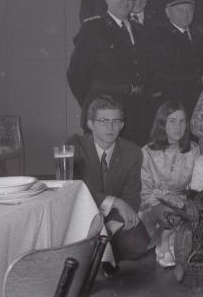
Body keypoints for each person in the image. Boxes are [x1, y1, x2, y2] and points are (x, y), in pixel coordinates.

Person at [67, 0, 154, 145]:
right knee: (103, 168)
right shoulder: (93, 29)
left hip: (137, 117)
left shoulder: (140, 30)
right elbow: (76, 75)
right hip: (104, 117)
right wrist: (95, 104)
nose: (126, 1)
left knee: (134, 167)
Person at [70, 96, 150, 277]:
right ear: (90, 124)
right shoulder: (75, 146)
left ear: (122, 125)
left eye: (116, 121)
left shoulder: (133, 152)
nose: (110, 127)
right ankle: (100, 255)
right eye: (103, 121)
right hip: (82, 214)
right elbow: (73, 190)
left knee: (139, 244)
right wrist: (115, 201)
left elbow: (132, 196)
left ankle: (102, 250)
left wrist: (111, 227)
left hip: (113, 219)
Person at [139, 101, 200, 268]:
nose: (178, 127)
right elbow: (144, 193)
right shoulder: (147, 152)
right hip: (154, 205)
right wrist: (168, 198)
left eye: (182, 121)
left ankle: (174, 239)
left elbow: (195, 187)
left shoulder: (193, 150)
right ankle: (163, 240)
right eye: (172, 121)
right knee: (167, 211)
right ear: (162, 124)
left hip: (183, 205)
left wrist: (183, 200)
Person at [151, 0, 203, 115]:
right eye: (179, 10)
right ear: (167, 12)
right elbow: (163, 75)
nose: (185, 14)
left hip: (198, 101)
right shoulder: (160, 37)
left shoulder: (197, 34)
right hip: (174, 103)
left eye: (189, 10)